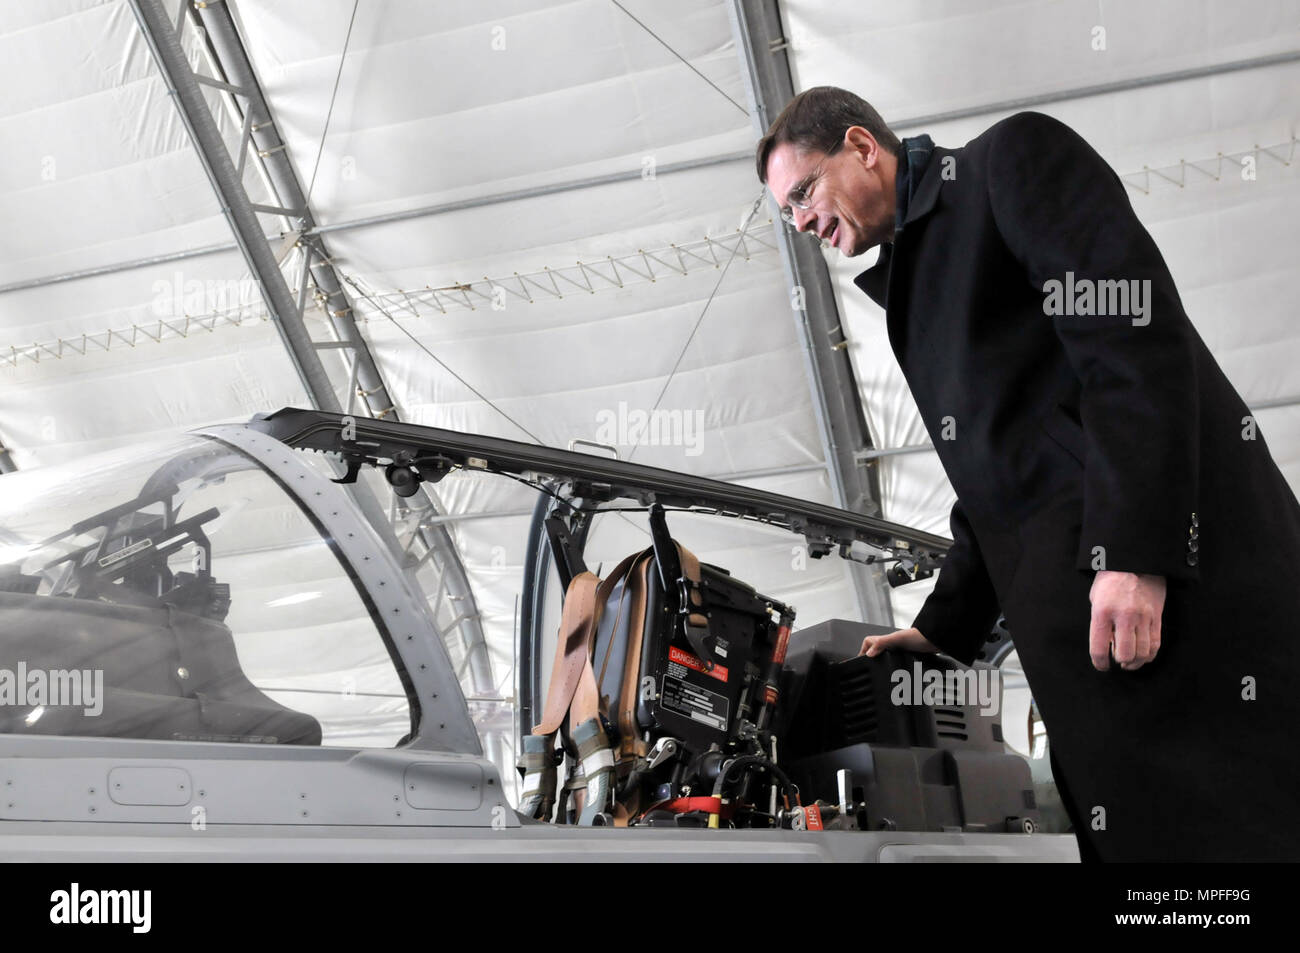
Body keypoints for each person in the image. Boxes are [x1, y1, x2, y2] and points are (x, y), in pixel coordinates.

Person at [756, 86, 1300, 862]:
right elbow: (997, 482)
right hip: (1101, 651)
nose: (803, 222)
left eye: (803, 191)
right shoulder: (909, 299)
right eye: (789, 214)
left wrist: (1134, 552)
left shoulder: (1009, 163)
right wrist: (943, 625)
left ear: (861, 145)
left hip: (1180, 607)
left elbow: (1133, 342)